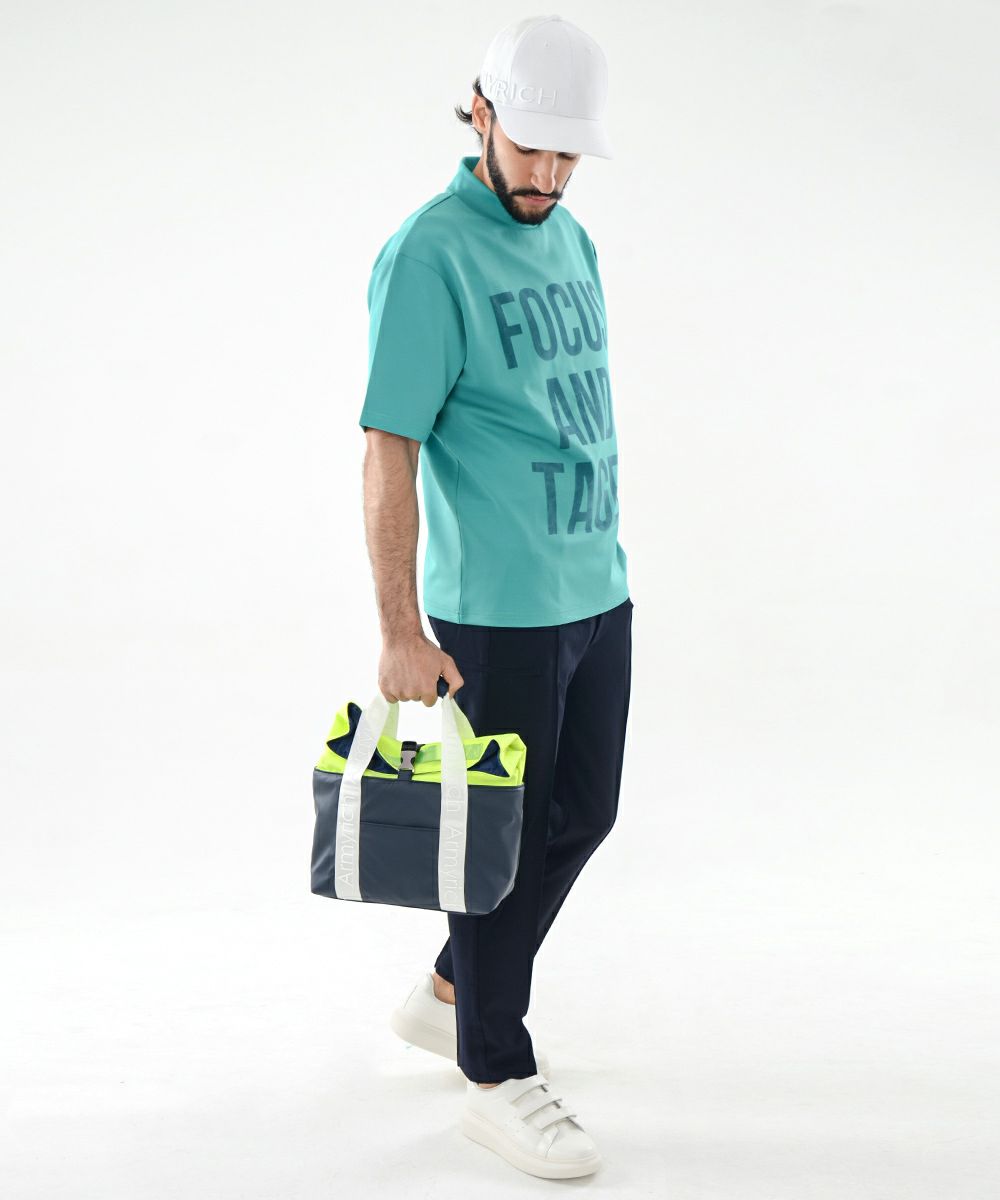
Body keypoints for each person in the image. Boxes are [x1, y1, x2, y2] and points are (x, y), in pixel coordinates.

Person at [358, 15, 632, 1180]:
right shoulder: (428, 255)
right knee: (498, 850)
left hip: (595, 587)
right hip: (495, 609)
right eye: (531, 147)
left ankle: (447, 994)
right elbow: (389, 446)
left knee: (584, 814)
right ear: (479, 111)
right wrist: (399, 629)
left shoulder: (571, 238)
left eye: (568, 154)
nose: (549, 175)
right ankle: (491, 1070)